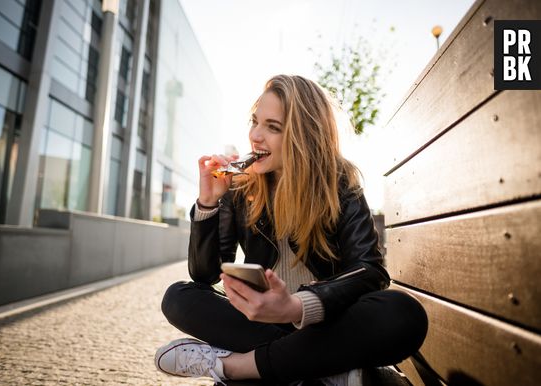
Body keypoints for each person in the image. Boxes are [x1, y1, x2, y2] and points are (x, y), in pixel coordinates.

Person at [155, 75, 428, 385]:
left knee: (404, 313)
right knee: (178, 297)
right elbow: (204, 275)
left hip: (325, 324)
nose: (256, 135)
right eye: (255, 122)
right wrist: (207, 203)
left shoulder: (340, 184)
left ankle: (236, 367)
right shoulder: (240, 189)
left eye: (273, 127)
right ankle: (327, 371)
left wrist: (295, 306)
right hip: (263, 325)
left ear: (304, 135)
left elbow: (370, 271)